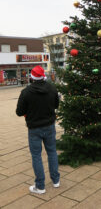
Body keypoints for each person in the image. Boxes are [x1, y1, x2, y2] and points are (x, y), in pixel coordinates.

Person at [16, 65, 60, 194]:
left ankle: (40, 186)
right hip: (50, 126)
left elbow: (19, 112)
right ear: (43, 76)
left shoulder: (26, 92)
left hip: (34, 128)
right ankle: (56, 180)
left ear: (32, 77)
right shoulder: (52, 88)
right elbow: (56, 104)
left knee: (36, 156)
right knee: (52, 152)